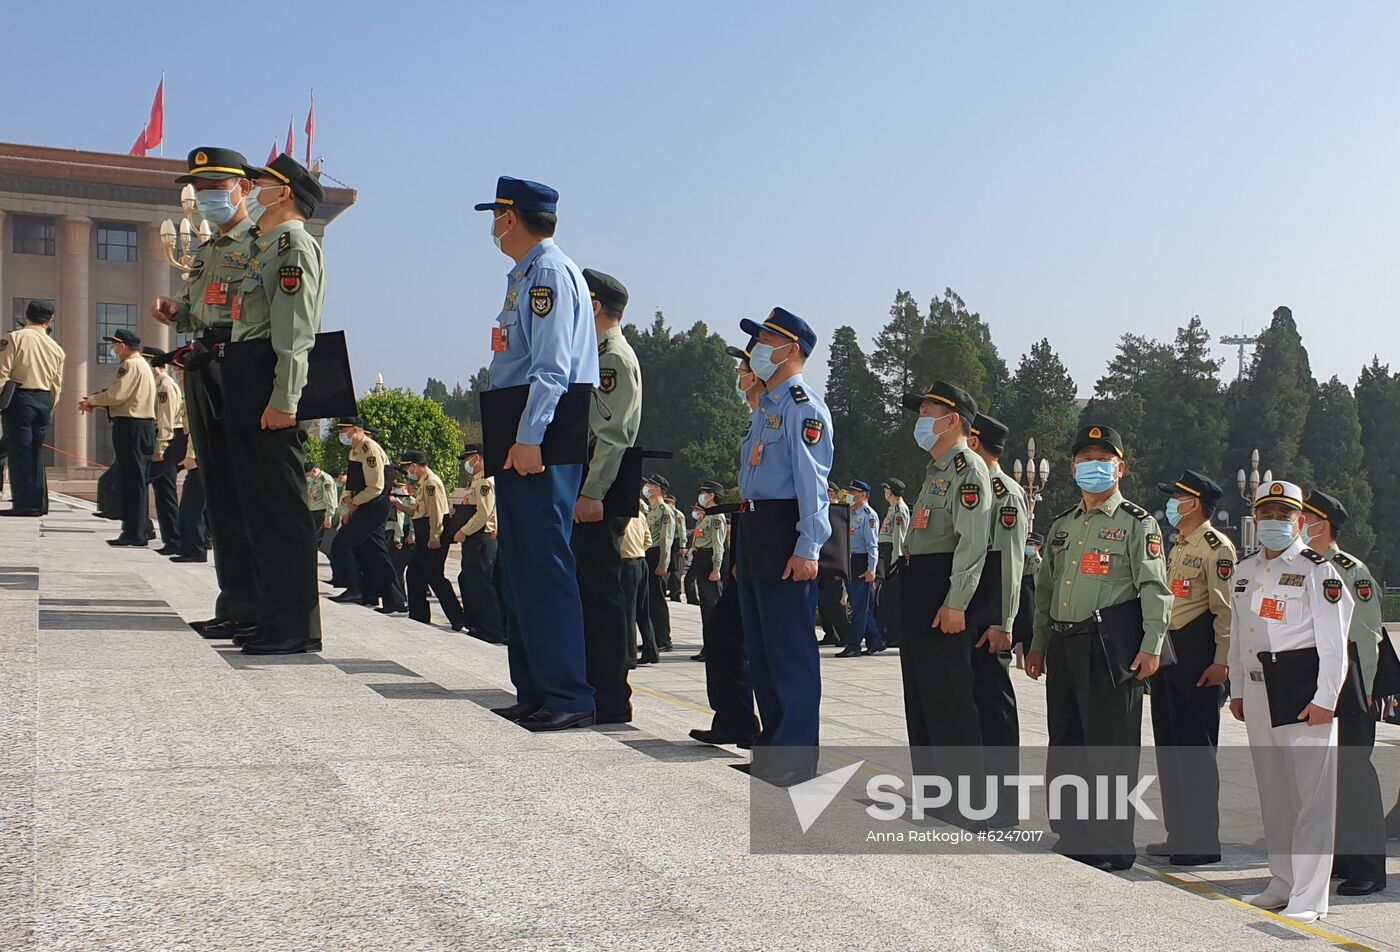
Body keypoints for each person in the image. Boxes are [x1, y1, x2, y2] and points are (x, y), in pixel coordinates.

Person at [477, 175, 598, 732]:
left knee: (545, 563)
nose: (493, 226)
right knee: (522, 564)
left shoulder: (547, 273)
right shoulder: (524, 275)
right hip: (522, 424)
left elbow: (550, 367)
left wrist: (529, 438)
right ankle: (535, 688)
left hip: (541, 430)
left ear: (513, 215)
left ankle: (568, 692)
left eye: (496, 214)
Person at [1028, 424, 1172, 872]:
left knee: (1110, 747)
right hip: (1065, 644)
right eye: (1086, 459)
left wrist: (1152, 647)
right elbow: (1046, 588)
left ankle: (1111, 845)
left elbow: (1154, 587)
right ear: (1073, 468)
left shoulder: (1136, 523)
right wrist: (1037, 644)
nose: (1094, 466)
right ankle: (1073, 832)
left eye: (1103, 459)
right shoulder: (1062, 525)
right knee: (1067, 742)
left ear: (1120, 468)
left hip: (1109, 648)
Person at [211, 153, 327, 655]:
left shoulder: (294, 244)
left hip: (269, 382)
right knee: (258, 508)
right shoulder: (266, 246)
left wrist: (285, 398)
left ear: (283, 193)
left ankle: (295, 626)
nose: (252, 187)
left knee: (281, 511)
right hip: (247, 374)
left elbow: (295, 332)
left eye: (260, 182)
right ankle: (270, 617)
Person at [1229, 481, 1351, 924]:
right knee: (1275, 793)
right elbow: (1239, 634)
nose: (1274, 522)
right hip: (1260, 693)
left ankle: (1311, 894)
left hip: (1303, 695)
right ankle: (1281, 879)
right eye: (1267, 515)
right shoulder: (1245, 570)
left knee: (1312, 798)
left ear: (1302, 521)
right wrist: (1238, 688)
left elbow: (1334, 645)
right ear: (1255, 520)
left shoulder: (1319, 571)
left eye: (1284, 515)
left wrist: (1326, 700)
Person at [150, 147, 259, 637]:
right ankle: (233, 601)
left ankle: (258, 606)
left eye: (219, 187)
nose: (210, 197)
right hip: (203, 364)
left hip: (239, 364)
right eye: (203, 189)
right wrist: (175, 311)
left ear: (245, 189)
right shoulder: (208, 251)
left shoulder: (259, 244)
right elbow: (197, 312)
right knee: (217, 491)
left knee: (243, 492)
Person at [734, 308, 833, 784]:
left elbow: (813, 482)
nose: (757, 350)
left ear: (791, 349)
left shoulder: (802, 406)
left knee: (789, 648)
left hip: (785, 528)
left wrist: (809, 545)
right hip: (755, 526)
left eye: (765, 340)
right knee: (762, 647)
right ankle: (772, 748)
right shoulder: (768, 406)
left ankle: (795, 758)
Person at [896, 383, 992, 817]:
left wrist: (956, 602)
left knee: (949, 698)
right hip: (920, 586)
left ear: (952, 419)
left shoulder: (968, 470)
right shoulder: (935, 470)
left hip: (944, 588)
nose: (921, 419)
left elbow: (971, 544)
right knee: (920, 695)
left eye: (928, 411)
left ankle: (966, 800)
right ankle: (934, 793)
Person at [1300, 490, 1388, 897]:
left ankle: (1368, 866)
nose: (1298, 521)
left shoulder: (1350, 571)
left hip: (1350, 691)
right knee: (1325, 779)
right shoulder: (1304, 567)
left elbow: (1367, 637)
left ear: (1324, 523)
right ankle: (1339, 858)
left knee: (1354, 777)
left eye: (1305, 516)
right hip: (1316, 687)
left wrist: (1364, 692)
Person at [1146, 470, 1235, 867]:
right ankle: (1178, 833)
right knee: (1170, 749)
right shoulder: (1179, 544)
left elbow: (1225, 611)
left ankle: (1201, 840)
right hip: (1170, 655)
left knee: (1196, 752)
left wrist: (1222, 661)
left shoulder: (1217, 547)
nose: (1170, 504)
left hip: (1198, 658)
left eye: (1176, 497)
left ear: (1194, 503)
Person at [573, 268, 643, 723]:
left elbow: (613, 434)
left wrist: (592, 490)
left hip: (604, 484)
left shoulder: (611, 357)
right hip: (595, 482)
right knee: (592, 593)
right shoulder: (596, 353)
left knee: (602, 597)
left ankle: (611, 698)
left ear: (593, 306)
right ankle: (597, 691)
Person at [691, 341, 763, 747]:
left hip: (768, 545)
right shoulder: (755, 421)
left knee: (758, 643)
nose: (738, 377)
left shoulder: (784, 417)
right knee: (723, 635)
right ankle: (734, 719)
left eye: (743, 370)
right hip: (747, 539)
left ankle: (773, 732)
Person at [966, 413, 1027, 826]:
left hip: (990, 612)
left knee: (994, 704)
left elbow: (1011, 560)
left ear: (974, 440)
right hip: (967, 606)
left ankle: (1003, 804)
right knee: (970, 703)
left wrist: (1004, 621)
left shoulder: (1004, 491)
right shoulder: (970, 484)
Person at [79, 330, 156, 547]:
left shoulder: (130, 365)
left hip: (131, 427)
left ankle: (134, 532)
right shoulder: (141, 365)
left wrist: (93, 400)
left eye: (114, 345)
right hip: (140, 426)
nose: (113, 349)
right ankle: (140, 529)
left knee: (132, 481)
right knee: (136, 480)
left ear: (122, 345)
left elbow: (117, 394)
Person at [330, 418, 404, 612]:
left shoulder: (369, 449)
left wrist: (355, 503)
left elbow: (376, 486)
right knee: (374, 552)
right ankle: (387, 598)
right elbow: (353, 482)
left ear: (356, 430)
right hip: (364, 503)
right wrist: (348, 499)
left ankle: (355, 588)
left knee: (343, 543)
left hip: (374, 504)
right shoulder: (355, 450)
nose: (343, 435)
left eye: (345, 431)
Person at [0, 300, 64, 517]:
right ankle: (37, 503)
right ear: (49, 321)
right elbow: (57, 384)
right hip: (44, 400)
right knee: (35, 452)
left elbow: (2, 373)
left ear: (26, 316)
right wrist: (49, 406)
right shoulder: (55, 348)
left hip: (20, 398)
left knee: (20, 453)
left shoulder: (15, 338)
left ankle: (25, 505)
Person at [395, 450, 466, 630]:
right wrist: (400, 505)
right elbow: (419, 511)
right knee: (414, 574)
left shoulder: (431, 483)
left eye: (407, 469)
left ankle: (458, 618)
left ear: (413, 466)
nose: (407, 474)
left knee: (435, 577)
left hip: (431, 535)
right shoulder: (424, 484)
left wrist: (435, 536)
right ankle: (418, 615)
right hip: (423, 534)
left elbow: (436, 512)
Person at [454, 445, 505, 644]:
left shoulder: (484, 480)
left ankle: (492, 630)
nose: (466, 464)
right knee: (470, 581)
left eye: (467, 459)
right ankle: (477, 624)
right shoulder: (476, 480)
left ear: (476, 458)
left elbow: (483, 513)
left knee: (483, 585)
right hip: (477, 537)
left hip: (481, 537)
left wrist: (462, 531)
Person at [836, 479, 886, 658]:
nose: (850, 494)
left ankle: (854, 645)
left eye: (854, 491)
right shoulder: (850, 513)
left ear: (863, 495)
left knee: (859, 609)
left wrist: (871, 570)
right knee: (859, 607)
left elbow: (872, 545)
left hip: (861, 562)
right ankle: (875, 640)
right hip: (850, 561)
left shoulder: (868, 515)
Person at [145, 347, 186, 555]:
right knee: (162, 492)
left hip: (170, 442)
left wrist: (160, 447)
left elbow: (167, 420)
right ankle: (171, 539)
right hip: (167, 440)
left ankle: (173, 539)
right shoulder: (158, 385)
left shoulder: (165, 386)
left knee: (163, 491)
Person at [644, 474, 676, 652]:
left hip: (657, 555)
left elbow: (666, 539)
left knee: (657, 599)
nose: (647, 488)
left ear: (657, 488)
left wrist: (663, 563)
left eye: (650, 485)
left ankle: (664, 639)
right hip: (648, 554)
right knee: (649, 599)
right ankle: (653, 638)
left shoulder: (664, 510)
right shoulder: (652, 509)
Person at [876, 478, 910, 648]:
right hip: (885, 551)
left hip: (892, 554)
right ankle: (889, 633)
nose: (884, 492)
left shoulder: (900, 509)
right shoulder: (892, 509)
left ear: (892, 491)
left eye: (886, 489)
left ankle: (895, 635)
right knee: (886, 599)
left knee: (893, 599)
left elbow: (899, 536)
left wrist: (896, 561)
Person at [817, 481, 851, 648]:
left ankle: (845, 634)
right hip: (822, 563)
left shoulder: (839, 513)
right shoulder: (824, 511)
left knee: (835, 602)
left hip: (834, 564)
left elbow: (841, 543)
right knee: (823, 602)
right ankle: (830, 633)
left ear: (832, 493)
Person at [619, 507, 654, 666]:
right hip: (641, 561)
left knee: (628, 612)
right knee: (642, 610)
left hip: (626, 563)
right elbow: (648, 540)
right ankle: (651, 651)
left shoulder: (617, 513)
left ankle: (629, 656)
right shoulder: (639, 513)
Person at [690, 481, 728, 623]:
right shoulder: (706, 515)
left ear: (712, 495)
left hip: (709, 559)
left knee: (711, 603)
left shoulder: (717, 516)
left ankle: (716, 641)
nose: (701, 496)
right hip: (700, 557)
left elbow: (718, 544)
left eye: (703, 493)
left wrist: (716, 568)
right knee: (705, 604)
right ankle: (709, 641)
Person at [306, 461, 337, 549]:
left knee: (319, 542)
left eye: (308, 475)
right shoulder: (314, 481)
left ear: (314, 471)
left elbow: (329, 499)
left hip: (323, 514)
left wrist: (329, 517)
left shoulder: (326, 480)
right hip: (315, 513)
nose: (308, 478)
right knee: (313, 540)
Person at [667, 496, 687, 602]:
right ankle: (670, 589)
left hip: (676, 542)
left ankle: (676, 592)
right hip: (667, 542)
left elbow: (682, 531)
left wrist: (682, 545)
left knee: (676, 570)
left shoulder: (678, 514)